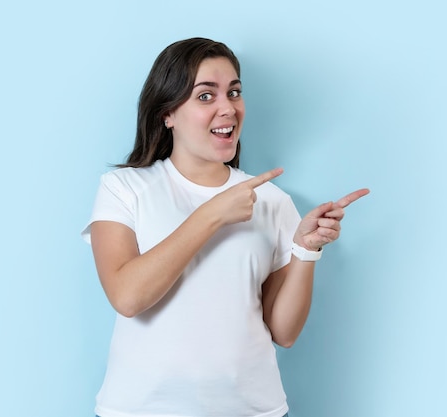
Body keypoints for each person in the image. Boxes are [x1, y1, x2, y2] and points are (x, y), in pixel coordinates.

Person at [82, 37, 369, 417]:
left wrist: (305, 249)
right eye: (205, 96)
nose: (228, 108)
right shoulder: (124, 189)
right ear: (167, 113)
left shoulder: (272, 200)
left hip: (253, 409)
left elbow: (284, 332)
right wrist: (212, 214)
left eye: (234, 93)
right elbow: (128, 296)